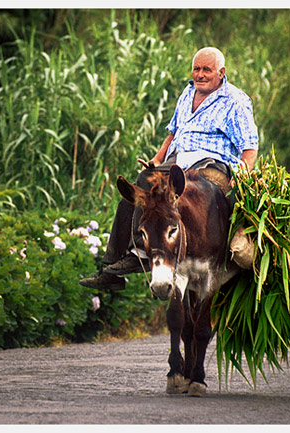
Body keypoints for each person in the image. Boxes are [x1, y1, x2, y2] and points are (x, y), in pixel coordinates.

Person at [80, 47, 259, 291]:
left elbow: (249, 148)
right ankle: (122, 262)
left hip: (211, 162)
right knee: (139, 187)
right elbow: (173, 132)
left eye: (207, 69)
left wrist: (243, 173)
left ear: (221, 72)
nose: (200, 74)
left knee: (197, 194)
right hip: (177, 159)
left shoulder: (236, 101)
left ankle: (221, 251)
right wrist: (157, 158)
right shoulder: (188, 92)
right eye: (197, 68)